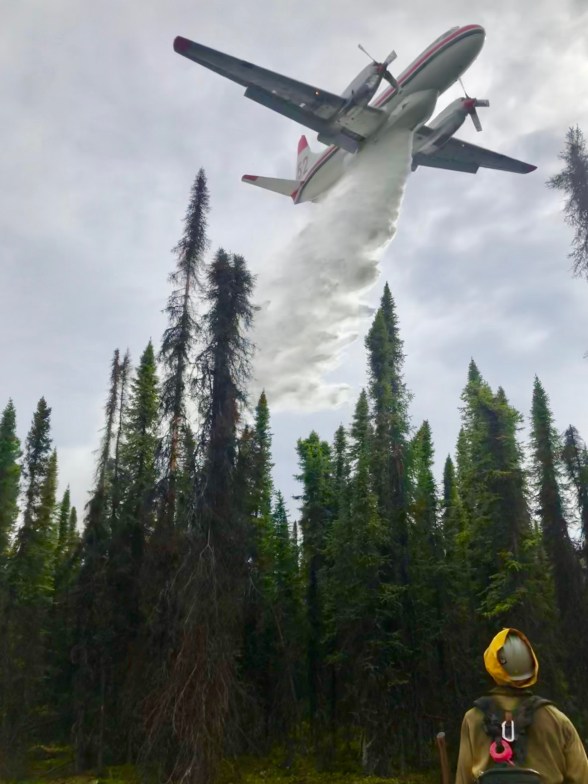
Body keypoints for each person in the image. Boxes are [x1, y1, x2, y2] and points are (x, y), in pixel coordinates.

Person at [455, 628, 588, 784]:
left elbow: (463, 780)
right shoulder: (557, 719)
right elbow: (582, 777)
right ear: (532, 666)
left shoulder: (472, 719)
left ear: (492, 665)